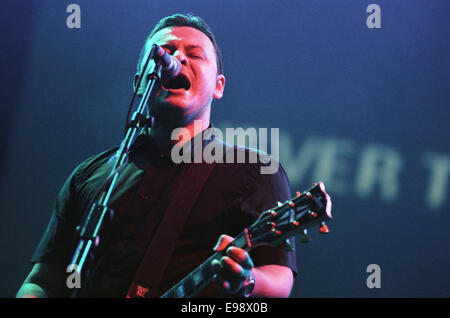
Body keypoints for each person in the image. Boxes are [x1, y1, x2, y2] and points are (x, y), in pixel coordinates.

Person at [16, 13, 297, 298]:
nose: (177, 59)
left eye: (194, 54)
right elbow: (44, 280)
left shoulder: (255, 171)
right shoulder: (91, 176)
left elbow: (279, 278)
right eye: (165, 52)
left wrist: (247, 280)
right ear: (140, 82)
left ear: (218, 86)